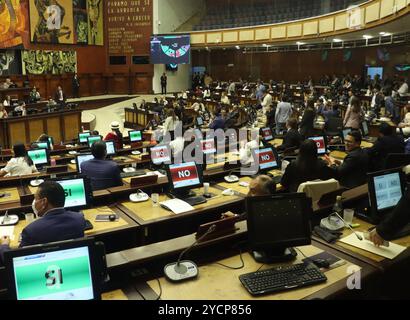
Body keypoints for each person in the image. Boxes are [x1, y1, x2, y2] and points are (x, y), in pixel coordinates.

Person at [0, 181, 86, 264]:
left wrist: (4, 245)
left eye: (36, 198)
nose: (34, 202)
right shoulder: (79, 219)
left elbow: (13, 261)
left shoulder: (31, 231)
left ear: (44, 202)